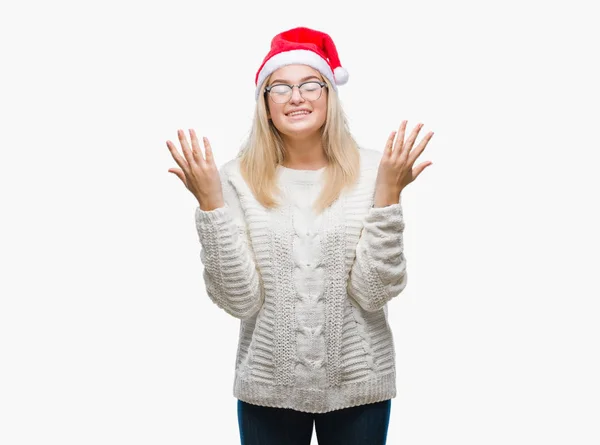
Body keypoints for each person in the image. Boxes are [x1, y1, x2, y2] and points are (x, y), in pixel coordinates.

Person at [166, 26, 434, 445]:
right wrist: (210, 205)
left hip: (359, 388)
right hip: (267, 389)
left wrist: (389, 195)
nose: (297, 97)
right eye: (281, 88)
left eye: (311, 84)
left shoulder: (374, 172)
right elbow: (240, 301)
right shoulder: (235, 179)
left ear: (329, 94)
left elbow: (375, 291)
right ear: (264, 104)